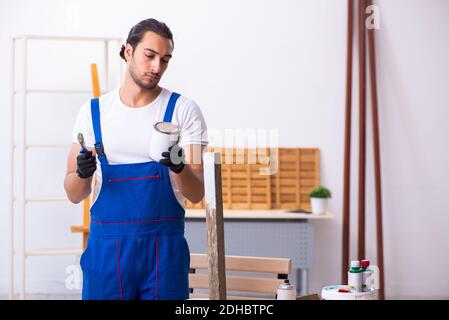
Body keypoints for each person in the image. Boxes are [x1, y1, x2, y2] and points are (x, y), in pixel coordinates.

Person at [63, 18, 208, 300]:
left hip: (163, 256)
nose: (157, 67)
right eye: (150, 56)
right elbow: (72, 193)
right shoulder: (93, 113)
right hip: (106, 253)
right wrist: (82, 173)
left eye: (165, 60)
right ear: (128, 51)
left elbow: (197, 192)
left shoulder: (182, 110)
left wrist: (178, 166)